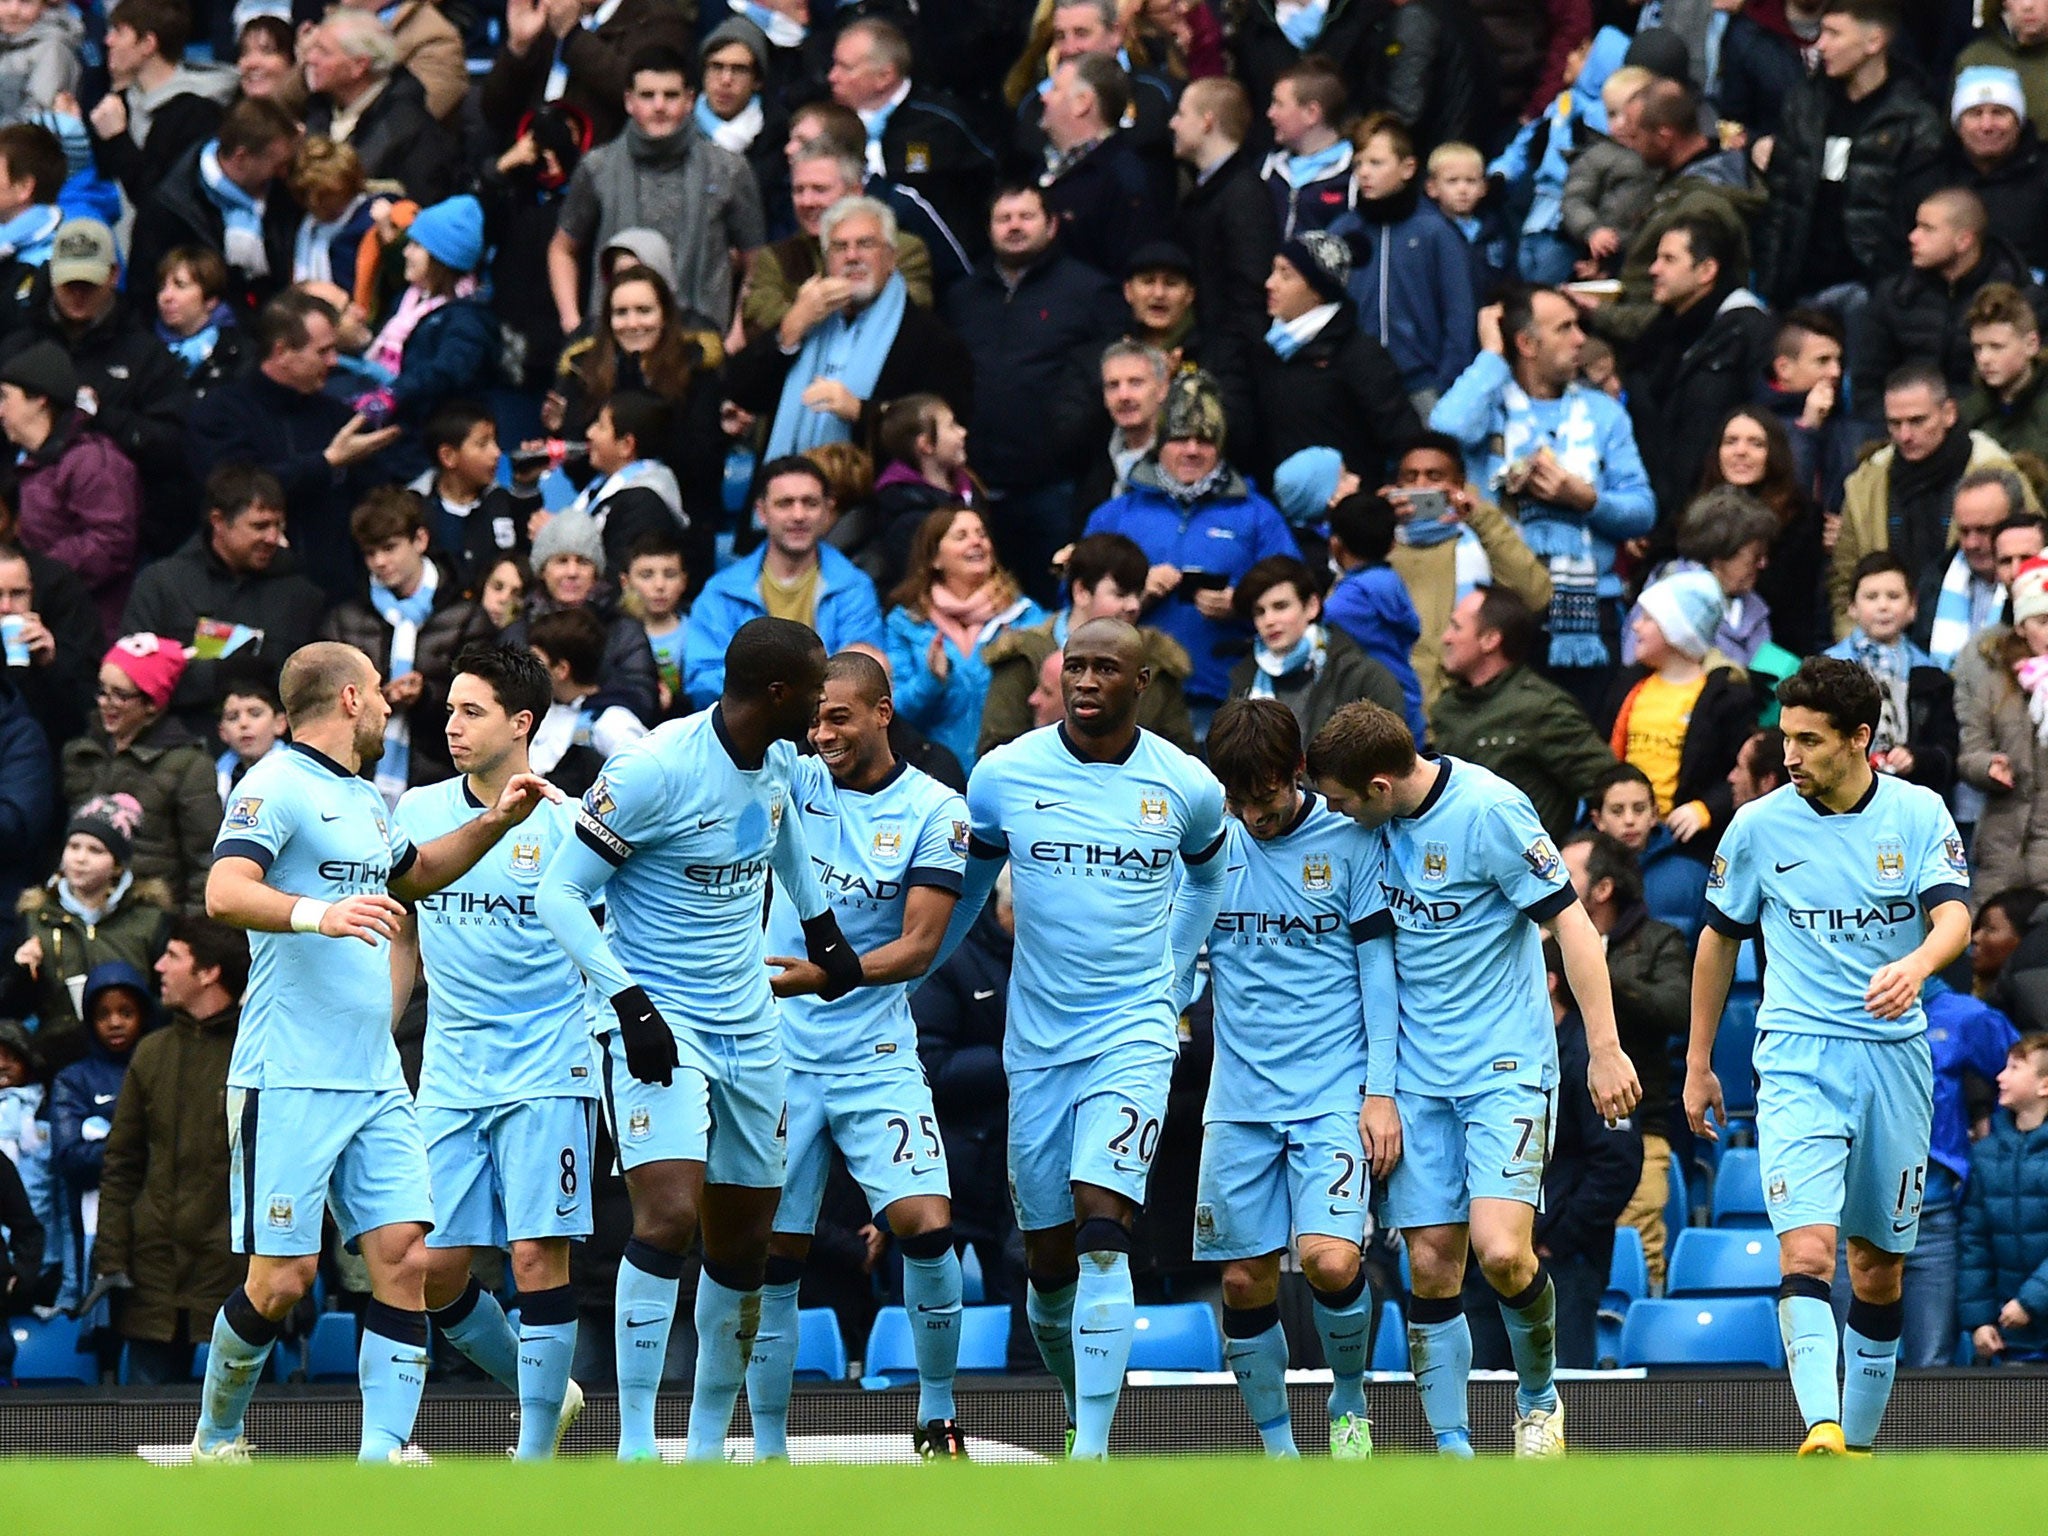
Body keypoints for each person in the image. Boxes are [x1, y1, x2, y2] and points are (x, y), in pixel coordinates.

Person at [190, 640, 557, 1462]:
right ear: (351, 699)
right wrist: (321, 915)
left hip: (374, 1079)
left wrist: (496, 824)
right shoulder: (273, 785)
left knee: (405, 1258)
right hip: (287, 1076)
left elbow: (415, 875)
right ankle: (215, 1438)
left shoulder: (362, 798)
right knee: (279, 1283)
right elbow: (223, 891)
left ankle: (381, 1453)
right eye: (382, 696)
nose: (395, 709)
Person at [534, 618, 863, 1461]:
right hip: (658, 1018)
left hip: (749, 1018)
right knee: (670, 1214)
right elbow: (560, 896)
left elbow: (782, 830)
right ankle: (639, 1441)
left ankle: (709, 1447)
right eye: (816, 690)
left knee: (744, 1241)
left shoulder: (782, 757)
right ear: (778, 693)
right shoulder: (652, 771)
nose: (826, 709)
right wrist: (630, 1007)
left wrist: (822, 928)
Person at [1305, 700, 1639, 1456]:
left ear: (1381, 786)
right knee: (1429, 1262)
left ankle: (1539, 1401)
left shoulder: (1491, 811)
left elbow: (1575, 927)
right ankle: (1453, 1449)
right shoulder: (1367, 834)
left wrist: (1606, 1047)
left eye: (1342, 798)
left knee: (1502, 1252)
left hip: (1505, 1065)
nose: (1334, 812)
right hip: (1418, 1078)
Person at [942, 617, 1227, 1458]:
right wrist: (915, 970)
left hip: (1135, 1031)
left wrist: (1176, 980)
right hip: (1037, 1043)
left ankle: (1095, 1453)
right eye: (1078, 667)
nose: (1087, 681)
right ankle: (1079, 1404)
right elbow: (966, 890)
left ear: (1142, 684)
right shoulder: (1003, 774)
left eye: (1108, 668)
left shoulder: (1186, 784)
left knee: (1106, 1221)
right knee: (1050, 1254)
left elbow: (1209, 876)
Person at [1685, 656, 1972, 1456]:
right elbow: (1717, 939)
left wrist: (1915, 966)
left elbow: (1954, 918)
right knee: (1807, 1251)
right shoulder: (1760, 826)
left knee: (1876, 1268)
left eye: (1810, 741)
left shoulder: (1918, 815)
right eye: (1787, 738)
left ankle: (1860, 1449)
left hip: (1894, 1060)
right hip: (1799, 1055)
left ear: (1860, 739)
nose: (1792, 756)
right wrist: (1698, 1060)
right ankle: (1821, 1425)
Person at [743, 650, 970, 1460]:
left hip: (874, 1050)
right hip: (779, 1061)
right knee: (775, 1254)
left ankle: (937, 1414)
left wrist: (821, 977)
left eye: (839, 716)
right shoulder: (792, 781)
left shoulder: (938, 809)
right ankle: (767, 1441)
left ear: (882, 712)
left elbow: (917, 947)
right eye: (814, 718)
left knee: (926, 1227)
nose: (822, 733)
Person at [389, 643, 591, 1457]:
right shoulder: (416, 812)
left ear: (522, 723)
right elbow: (401, 928)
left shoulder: (574, 824)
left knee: (538, 1254)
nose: (453, 725)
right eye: (448, 710)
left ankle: (534, 1454)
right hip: (451, 1069)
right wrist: (381, 1031)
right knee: (427, 1266)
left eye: (471, 711)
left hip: (550, 1062)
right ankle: (547, 1392)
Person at [1197, 697, 1382, 1457]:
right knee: (1242, 1284)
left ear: (1296, 773)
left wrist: (1382, 1090)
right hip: (1238, 1096)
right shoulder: (1209, 841)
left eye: (1263, 796)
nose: (1251, 814)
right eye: (1236, 799)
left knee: (1331, 1259)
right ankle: (1278, 1451)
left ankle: (1348, 1402)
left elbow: (1380, 974)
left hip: (1332, 1090)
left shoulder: (1349, 841)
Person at [1432, 288, 1654, 703]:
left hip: (1591, 614)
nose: (1579, 340)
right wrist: (1493, 355)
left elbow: (1642, 510)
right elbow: (1447, 426)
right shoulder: (1490, 408)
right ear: (1527, 344)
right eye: (1564, 328)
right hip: (1503, 615)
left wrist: (1585, 499)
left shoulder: (1603, 413)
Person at [1463, 934, 1643, 1371]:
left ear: (1546, 982)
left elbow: (1616, 1162)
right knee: (1481, 1393)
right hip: (1486, 1260)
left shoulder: (1589, 1057)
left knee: (1560, 1390)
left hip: (1562, 1264)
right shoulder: (1489, 1051)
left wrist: (1554, 1237)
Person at [1082, 369, 1297, 729]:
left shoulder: (1258, 515)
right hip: (1133, 700)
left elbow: (1296, 594)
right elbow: (1074, 600)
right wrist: (1136, 593)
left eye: (1206, 440)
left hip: (1227, 698)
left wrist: (1244, 605)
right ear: (1160, 443)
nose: (1193, 450)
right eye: (1180, 438)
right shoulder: (1116, 514)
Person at [944, 183, 1121, 598]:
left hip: (1055, 484)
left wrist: (1070, 443)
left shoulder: (1089, 292)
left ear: (1052, 224)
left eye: (1026, 217)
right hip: (978, 486)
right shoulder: (962, 297)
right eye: (1004, 219)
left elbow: (1107, 376)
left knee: (1054, 597)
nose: (1015, 227)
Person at [89, 915, 245, 1385]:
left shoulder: (259, 1052)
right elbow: (121, 1166)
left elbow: (293, 1169)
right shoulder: (151, 1052)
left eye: (173, 956)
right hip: (151, 1275)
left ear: (209, 972)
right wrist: (111, 1260)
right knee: (145, 1431)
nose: (158, 966)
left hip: (233, 1273)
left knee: (241, 1436)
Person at [186, 290, 402, 603]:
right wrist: (326, 463)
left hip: (334, 601)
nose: (333, 361)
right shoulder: (219, 414)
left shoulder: (339, 419)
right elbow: (233, 490)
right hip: (243, 598)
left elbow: (378, 502)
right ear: (282, 351)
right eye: (323, 351)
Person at [725, 196, 973, 464]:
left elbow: (938, 439)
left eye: (865, 244)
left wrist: (861, 412)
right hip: (793, 493)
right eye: (840, 247)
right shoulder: (807, 322)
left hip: (879, 497)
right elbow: (742, 392)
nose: (852, 256)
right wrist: (790, 329)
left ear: (891, 258)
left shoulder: (932, 340)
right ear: (826, 261)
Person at [550, 44, 764, 336]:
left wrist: (738, 335)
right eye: (648, 95)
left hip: (702, 347)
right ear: (629, 101)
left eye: (671, 95)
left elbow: (758, 262)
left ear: (690, 100)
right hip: (614, 344)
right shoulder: (597, 167)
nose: (659, 105)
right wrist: (572, 323)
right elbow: (562, 249)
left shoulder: (729, 170)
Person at [1752, 0, 1944, 314]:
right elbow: (1780, 204)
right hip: (1798, 288)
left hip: (1871, 293)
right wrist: (1771, 288)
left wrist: (1891, 296)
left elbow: (1913, 220)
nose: (1820, 45)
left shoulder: (1914, 120)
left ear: (1874, 41)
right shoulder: (1803, 104)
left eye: (1834, 34)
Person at [1558, 830, 1688, 1291]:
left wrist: (1588, 969)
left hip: (1637, 1125)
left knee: (1637, 1253)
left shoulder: (1659, 942)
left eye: (1567, 873)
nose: (1551, 878)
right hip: (1554, 1138)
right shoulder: (1536, 940)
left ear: (1602, 888)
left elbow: (1677, 1009)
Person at [119, 466, 327, 734]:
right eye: (260, 526)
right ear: (218, 521)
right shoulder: (162, 585)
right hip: (178, 751)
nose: (273, 538)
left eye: (278, 525)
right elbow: (131, 677)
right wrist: (217, 675)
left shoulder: (302, 596)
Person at [319, 489, 496, 800]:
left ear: (420, 540)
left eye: (389, 548)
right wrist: (373, 700)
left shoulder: (467, 617)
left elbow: (487, 705)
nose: (380, 562)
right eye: (370, 553)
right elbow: (321, 707)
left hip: (442, 780)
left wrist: (426, 695)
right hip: (357, 782)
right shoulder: (342, 619)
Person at [1830, 370, 2032, 640]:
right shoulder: (1864, 486)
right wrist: (1856, 651)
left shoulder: (1999, 475)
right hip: (1885, 652)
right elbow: (1844, 582)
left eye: (1917, 421)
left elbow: (2034, 563)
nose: (1905, 435)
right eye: (1894, 423)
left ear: (1948, 413)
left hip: (1982, 644)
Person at [685, 457, 885, 709]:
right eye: (785, 503)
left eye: (810, 503)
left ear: (827, 510)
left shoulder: (854, 587)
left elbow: (866, 676)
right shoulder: (722, 592)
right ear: (762, 512)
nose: (798, 515)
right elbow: (701, 681)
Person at [977, 531, 1196, 757]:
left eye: (1137, 593)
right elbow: (996, 749)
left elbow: (1182, 757)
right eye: (1120, 594)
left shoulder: (1157, 660)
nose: (1132, 605)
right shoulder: (1024, 654)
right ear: (1081, 591)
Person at [1428, 585, 1617, 839]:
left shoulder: (1540, 708)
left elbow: (1610, 784)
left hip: (1524, 868)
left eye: (1457, 627)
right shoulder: (1447, 708)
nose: (1446, 638)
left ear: (1490, 640)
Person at [1601, 569, 1757, 863]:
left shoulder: (1725, 697)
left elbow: (1742, 771)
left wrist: (1705, 809)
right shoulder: (1629, 685)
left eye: (1648, 619)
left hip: (1684, 844)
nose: (1635, 627)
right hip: (1622, 836)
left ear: (1676, 631)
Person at [1625, 217, 1776, 519]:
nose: (1654, 269)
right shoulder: (1655, 338)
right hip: (1660, 511)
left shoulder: (1748, 331)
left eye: (1669, 259)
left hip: (1719, 515)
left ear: (1707, 270)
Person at [1328, 111, 1479, 412]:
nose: (1364, 173)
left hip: (1423, 384)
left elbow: (1459, 316)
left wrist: (1445, 383)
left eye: (1376, 162)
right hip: (1355, 384)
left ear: (1408, 168)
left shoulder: (1435, 231)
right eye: (1358, 163)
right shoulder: (1344, 231)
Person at [1249, 227, 1422, 484]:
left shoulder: (1359, 355)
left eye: (1286, 275)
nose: (1269, 284)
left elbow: (1402, 436)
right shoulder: (1266, 351)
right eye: (1273, 271)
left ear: (1318, 290)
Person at [10, 795, 167, 1071]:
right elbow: (16, 1006)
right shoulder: (37, 917)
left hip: (135, 1062)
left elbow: (163, 998)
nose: (80, 858)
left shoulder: (149, 919)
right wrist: (22, 970)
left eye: (96, 850)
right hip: (58, 1062)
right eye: (74, 846)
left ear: (117, 864)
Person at [62, 635, 219, 910]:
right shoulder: (81, 754)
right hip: (80, 914)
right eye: (102, 690)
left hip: (154, 923)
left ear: (152, 704)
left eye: (120, 695)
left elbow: (205, 862)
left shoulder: (190, 766)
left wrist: (191, 940)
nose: (106, 703)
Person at [883, 507, 1044, 772]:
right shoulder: (905, 622)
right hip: (934, 774)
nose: (976, 541)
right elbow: (893, 713)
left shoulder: (1024, 616)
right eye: (961, 536)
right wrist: (930, 681)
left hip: (1009, 770)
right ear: (934, 558)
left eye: (981, 534)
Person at [1, 342, 143, 639]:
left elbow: (111, 542)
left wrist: (36, 571)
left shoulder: (92, 461)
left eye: (5, 398)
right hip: (36, 616)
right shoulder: (29, 463)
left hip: (85, 627)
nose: (0, 411)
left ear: (39, 399)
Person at [826, 19, 996, 262]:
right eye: (834, 64)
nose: (832, 76)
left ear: (885, 76)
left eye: (846, 68)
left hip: (940, 265)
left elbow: (989, 185)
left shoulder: (940, 123)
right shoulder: (828, 124)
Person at [1857, 189, 2039, 410]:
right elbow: (1867, 385)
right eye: (1916, 226)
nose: (1913, 237)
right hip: (1904, 423)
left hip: (1988, 424)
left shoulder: (2019, 298)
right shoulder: (1894, 296)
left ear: (1963, 241)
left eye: (1928, 229)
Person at [741, 141, 936, 342]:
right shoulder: (776, 257)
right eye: (799, 190)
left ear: (855, 191)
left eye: (820, 189)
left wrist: (811, 311)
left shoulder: (901, 248)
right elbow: (760, 316)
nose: (807, 201)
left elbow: (910, 312)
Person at [128, 97, 301, 321]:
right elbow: (145, 294)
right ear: (241, 158)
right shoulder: (169, 209)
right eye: (277, 165)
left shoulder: (283, 192)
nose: (285, 173)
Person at [1225, 555, 1405, 745]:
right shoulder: (1244, 680)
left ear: (1312, 606)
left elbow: (1391, 753)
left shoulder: (1363, 676)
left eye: (1280, 607)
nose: (1269, 620)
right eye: (1259, 612)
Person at [1822, 554, 1961, 796]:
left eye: (1894, 596)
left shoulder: (1931, 676)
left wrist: (1916, 757)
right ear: (1852, 607)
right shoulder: (1826, 669)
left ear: (1912, 608)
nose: (1883, 606)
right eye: (1871, 597)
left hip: (1908, 796)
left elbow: (1947, 748)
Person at [1169, 77, 1280, 368]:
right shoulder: (1206, 191)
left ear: (1207, 122)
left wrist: (1228, 362)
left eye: (1182, 114)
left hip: (1231, 363)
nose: (1173, 124)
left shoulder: (1243, 196)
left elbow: (1249, 290)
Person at [479, 0, 692, 150]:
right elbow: (495, 114)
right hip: (531, 173)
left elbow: (637, 92)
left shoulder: (658, 18)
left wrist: (573, 36)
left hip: (605, 177)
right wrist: (518, 48)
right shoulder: (546, 13)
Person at [1957, 557, 2048, 905]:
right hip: (2002, 845)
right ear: (2023, 626)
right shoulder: (1995, 679)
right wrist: (1987, 765)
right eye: (2042, 621)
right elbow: (1969, 751)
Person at [298, 11, 460, 206]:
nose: (310, 58)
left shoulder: (409, 130)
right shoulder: (317, 109)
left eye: (323, 52)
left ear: (359, 66)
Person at [86, 0, 235, 211]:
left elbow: (162, 204)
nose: (108, 40)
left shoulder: (198, 113)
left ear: (148, 43)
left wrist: (118, 140)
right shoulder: (118, 105)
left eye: (119, 32)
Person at [1037, 54, 1173, 280]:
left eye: (1055, 89)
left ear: (1082, 103)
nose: (1044, 97)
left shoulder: (1123, 179)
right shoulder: (1043, 170)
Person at [1961, 1032, 2048, 1363]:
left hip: (2027, 1310)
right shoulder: (1986, 1156)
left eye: (2014, 1068)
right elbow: (1975, 1242)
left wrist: (2031, 1301)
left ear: (2044, 1086)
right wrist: (1980, 1320)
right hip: (2013, 1336)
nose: (2000, 1076)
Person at [1321, 493, 1425, 739]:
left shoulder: (1346, 602)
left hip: (1373, 715)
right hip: (1409, 706)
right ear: (1392, 544)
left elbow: (1314, 626)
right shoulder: (1392, 582)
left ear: (1335, 544)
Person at [1941, 65, 2048, 275]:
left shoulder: (2043, 174)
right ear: (1958, 124)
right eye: (1975, 113)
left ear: (2018, 122)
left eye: (1999, 113)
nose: (1987, 125)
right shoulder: (1930, 176)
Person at [1758, 308, 1862, 518]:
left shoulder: (1849, 425)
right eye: (1823, 361)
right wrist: (1808, 427)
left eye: (1838, 361)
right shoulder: (1756, 426)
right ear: (1784, 368)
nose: (1836, 372)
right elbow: (1788, 502)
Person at [1260, 56, 1353, 240]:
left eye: (1279, 104)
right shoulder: (1268, 168)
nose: (1270, 113)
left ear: (1312, 113)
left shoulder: (1353, 175)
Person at [152, 246, 251, 406]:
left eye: (180, 285)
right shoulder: (147, 350)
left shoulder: (238, 352)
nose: (166, 296)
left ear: (211, 299)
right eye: (162, 287)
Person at [1962, 281, 2048, 462]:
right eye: (1978, 348)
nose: (1984, 359)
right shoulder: (1969, 414)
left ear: (2031, 344)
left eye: (1996, 347)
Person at [214, 681, 287, 804]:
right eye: (232, 717)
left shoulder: (297, 771)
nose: (243, 723)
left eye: (255, 714)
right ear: (222, 732)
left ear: (279, 723)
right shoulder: (215, 775)